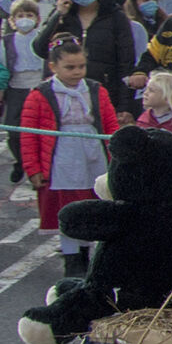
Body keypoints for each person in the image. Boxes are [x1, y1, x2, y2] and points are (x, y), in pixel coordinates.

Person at [19, 36, 121, 278]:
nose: (77, 72)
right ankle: (72, 258)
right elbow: (28, 135)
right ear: (53, 67)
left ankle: (88, 255)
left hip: (92, 154)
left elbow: (110, 124)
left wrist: (117, 158)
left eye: (81, 66)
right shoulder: (39, 95)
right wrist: (33, 168)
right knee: (67, 206)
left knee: (92, 202)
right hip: (60, 158)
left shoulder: (96, 90)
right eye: (70, 67)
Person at [33, 0, 139, 120]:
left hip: (103, 92)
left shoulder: (115, 16)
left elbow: (126, 62)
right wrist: (58, 14)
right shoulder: (64, 15)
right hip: (62, 93)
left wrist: (124, 105)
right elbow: (40, 48)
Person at [5, 0, 46, 189]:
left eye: (29, 15)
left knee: (40, 129)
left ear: (37, 18)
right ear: (12, 20)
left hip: (39, 86)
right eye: (20, 15)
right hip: (15, 88)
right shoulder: (6, 42)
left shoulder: (42, 37)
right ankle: (21, 162)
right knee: (13, 131)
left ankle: (37, 167)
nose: (25, 19)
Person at [135, 70, 172, 136]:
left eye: (151, 90)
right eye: (146, 89)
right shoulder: (143, 120)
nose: (145, 93)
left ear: (167, 97)